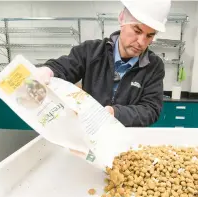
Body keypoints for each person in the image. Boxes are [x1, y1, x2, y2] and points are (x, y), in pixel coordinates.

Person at [36, 0, 171, 127]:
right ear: (122, 19)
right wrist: (49, 70)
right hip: (89, 134)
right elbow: (64, 67)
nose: (141, 42)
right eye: (137, 31)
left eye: (149, 36)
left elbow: (150, 110)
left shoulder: (154, 66)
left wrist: (115, 113)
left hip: (127, 138)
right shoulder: (91, 51)